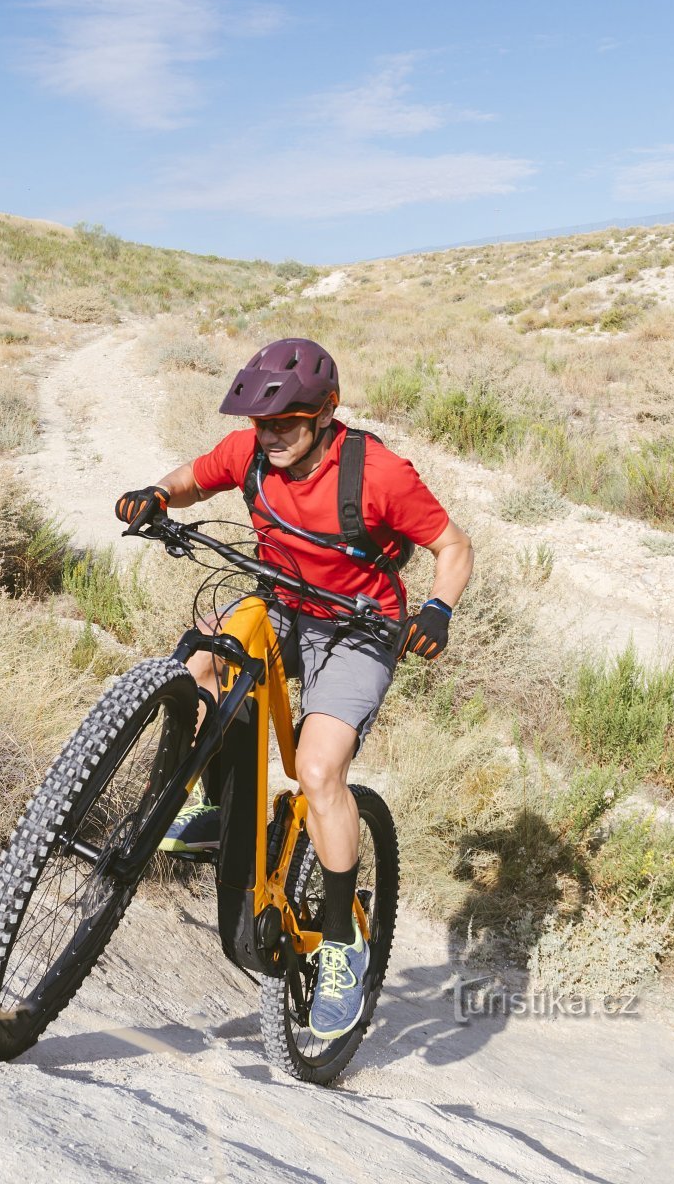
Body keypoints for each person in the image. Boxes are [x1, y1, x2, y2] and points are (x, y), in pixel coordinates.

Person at [114, 337, 473, 1042]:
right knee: (204, 656)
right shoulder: (248, 453)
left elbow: (453, 547)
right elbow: (193, 477)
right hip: (281, 602)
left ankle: (342, 942)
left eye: (288, 423)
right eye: (263, 425)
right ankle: (219, 808)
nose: (272, 437)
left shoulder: (380, 474)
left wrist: (438, 608)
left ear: (325, 413)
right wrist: (158, 493)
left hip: (359, 628)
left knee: (317, 772)